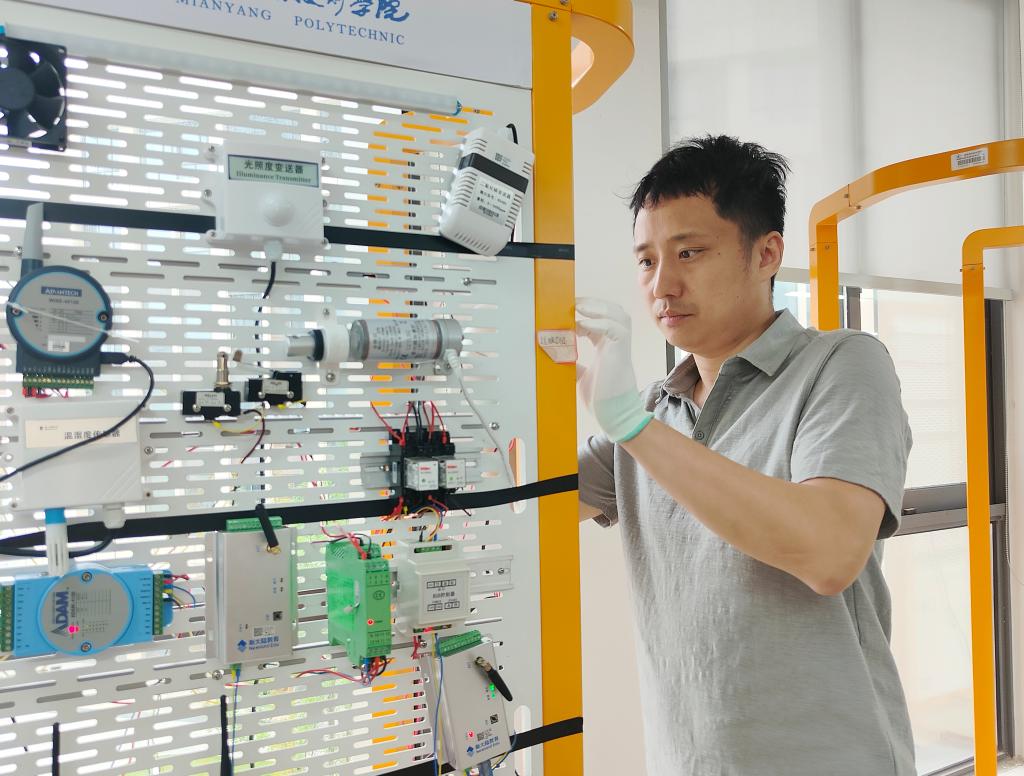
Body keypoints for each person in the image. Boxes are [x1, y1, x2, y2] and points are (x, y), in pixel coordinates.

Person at [576, 135, 915, 776]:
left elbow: (829, 552)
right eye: (646, 260)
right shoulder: (654, 412)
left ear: (766, 254)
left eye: (689, 252)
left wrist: (632, 428)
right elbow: (522, 501)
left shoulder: (842, 365)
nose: (663, 284)